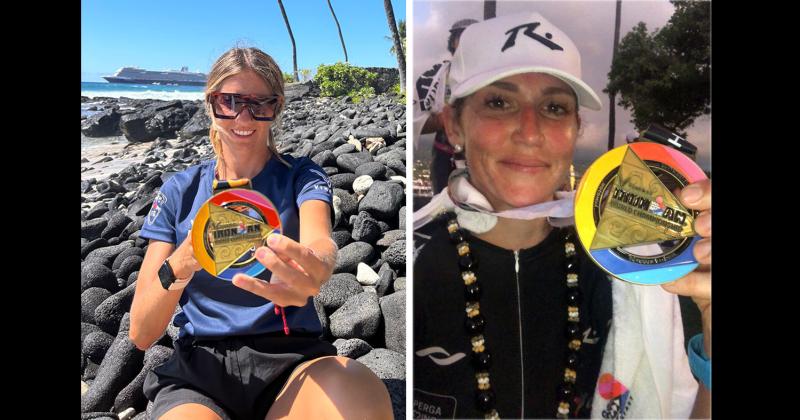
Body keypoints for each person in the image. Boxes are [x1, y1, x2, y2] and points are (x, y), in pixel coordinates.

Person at [412, 13, 710, 419]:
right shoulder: (413, 260)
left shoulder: (632, 261)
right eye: (499, 102)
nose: (530, 131)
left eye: (554, 107)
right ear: (455, 126)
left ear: (575, 128)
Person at [130, 47, 393, 420]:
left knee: (360, 398)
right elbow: (141, 332)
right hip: (200, 370)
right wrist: (184, 261)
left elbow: (319, 240)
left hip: (289, 361)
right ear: (210, 104)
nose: (243, 117)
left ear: (277, 107)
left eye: (259, 104)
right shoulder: (179, 191)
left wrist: (317, 266)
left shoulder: (300, 175)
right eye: (229, 101)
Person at [414, 18, 477, 195]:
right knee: (442, 209)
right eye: (462, 36)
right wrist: (442, 120)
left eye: (474, 37)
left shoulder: (500, 76)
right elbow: (413, 122)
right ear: (453, 42)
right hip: (444, 157)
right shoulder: (434, 77)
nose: (467, 42)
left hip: (485, 158)